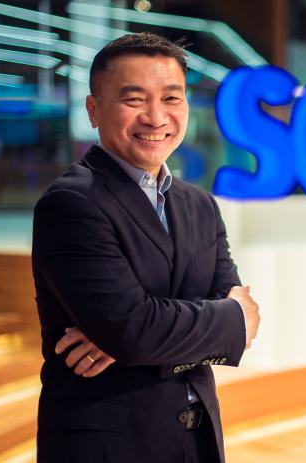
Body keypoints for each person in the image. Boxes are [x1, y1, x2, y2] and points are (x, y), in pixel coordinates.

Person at [31, 32, 260, 463]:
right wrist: (135, 336)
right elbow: (137, 330)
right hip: (109, 446)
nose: (156, 117)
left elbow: (243, 319)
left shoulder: (200, 204)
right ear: (93, 110)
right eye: (134, 100)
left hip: (198, 439)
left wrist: (135, 337)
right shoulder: (72, 202)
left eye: (171, 98)